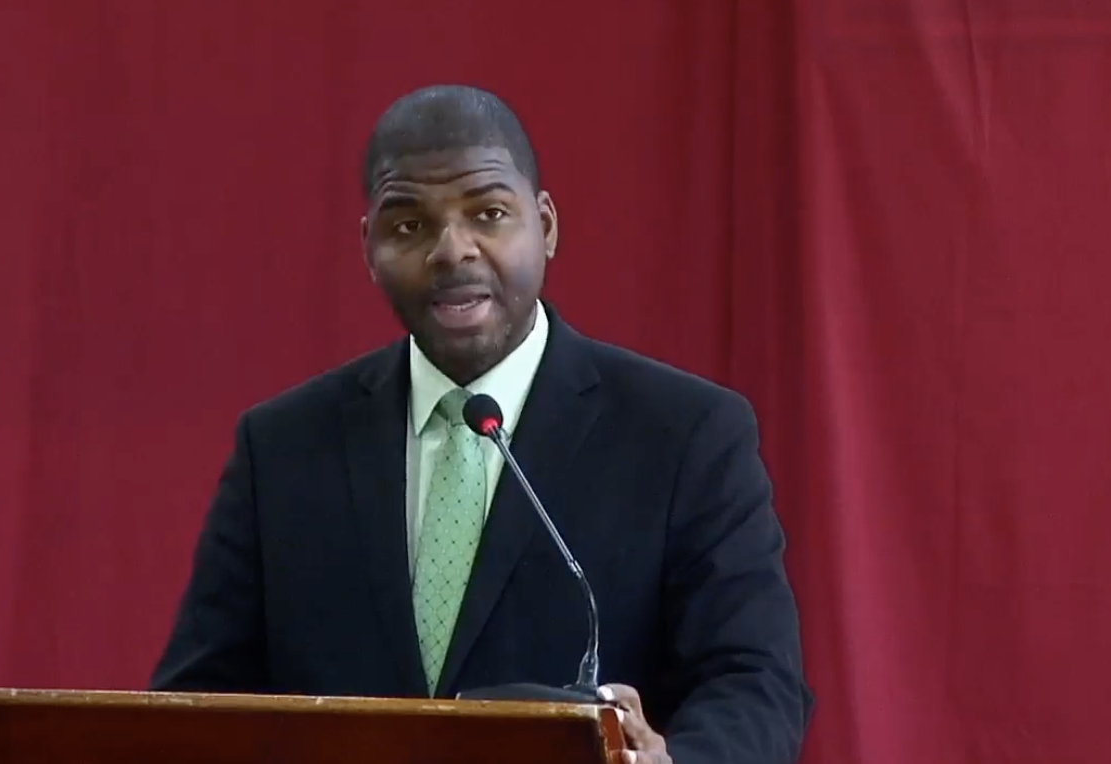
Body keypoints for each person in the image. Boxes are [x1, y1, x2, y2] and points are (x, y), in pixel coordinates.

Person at [150, 84, 813, 764]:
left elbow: (755, 684)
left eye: (489, 214)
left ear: (545, 226)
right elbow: (196, 702)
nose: (451, 250)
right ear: (368, 247)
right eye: (409, 226)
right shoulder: (281, 448)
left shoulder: (685, 434)